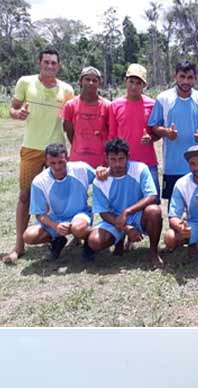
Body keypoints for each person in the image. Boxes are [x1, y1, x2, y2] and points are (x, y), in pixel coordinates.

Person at [5, 48, 74, 265]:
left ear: (59, 66)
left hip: (57, 150)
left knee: (59, 197)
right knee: (25, 196)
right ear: (39, 63)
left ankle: (63, 236)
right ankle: (19, 245)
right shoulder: (25, 82)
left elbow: (70, 121)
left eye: (54, 63)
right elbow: (13, 109)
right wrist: (18, 114)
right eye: (46, 62)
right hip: (32, 149)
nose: (50, 66)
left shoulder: (67, 89)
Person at [85, 138, 163, 265]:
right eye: (113, 160)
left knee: (154, 211)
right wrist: (126, 228)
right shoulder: (100, 181)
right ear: (106, 159)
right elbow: (103, 212)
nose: (117, 164)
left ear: (128, 157)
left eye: (121, 159)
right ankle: (119, 238)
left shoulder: (140, 169)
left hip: (137, 214)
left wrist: (127, 212)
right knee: (95, 241)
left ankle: (153, 252)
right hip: (115, 218)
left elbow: (152, 196)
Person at [149, 61, 198, 204]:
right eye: (182, 77)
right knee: (174, 207)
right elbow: (154, 125)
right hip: (172, 165)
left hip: (196, 165)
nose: (185, 81)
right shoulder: (164, 98)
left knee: (196, 205)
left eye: (190, 77)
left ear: (195, 78)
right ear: (175, 76)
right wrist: (166, 132)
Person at [22, 143, 96, 261]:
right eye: (52, 163)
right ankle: (57, 240)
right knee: (29, 236)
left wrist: (102, 170)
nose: (57, 167)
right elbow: (39, 214)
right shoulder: (39, 181)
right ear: (46, 162)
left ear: (67, 158)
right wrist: (55, 226)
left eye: (61, 162)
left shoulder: (81, 169)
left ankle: (89, 240)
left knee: (78, 228)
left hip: (80, 214)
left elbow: (101, 179)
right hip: (55, 219)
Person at [107, 64, 159, 195]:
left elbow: (157, 133)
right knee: (125, 200)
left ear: (144, 85)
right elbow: (112, 135)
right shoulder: (115, 106)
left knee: (151, 203)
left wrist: (151, 138)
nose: (134, 86)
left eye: (138, 83)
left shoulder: (152, 105)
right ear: (125, 81)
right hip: (123, 163)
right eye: (131, 82)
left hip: (148, 161)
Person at [62, 66, 110, 168]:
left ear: (99, 83)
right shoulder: (70, 105)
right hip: (77, 162)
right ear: (80, 81)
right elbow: (69, 132)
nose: (91, 83)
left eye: (94, 80)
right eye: (87, 79)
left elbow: (111, 133)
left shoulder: (107, 106)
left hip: (101, 163)